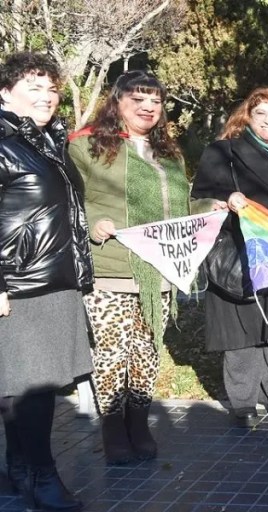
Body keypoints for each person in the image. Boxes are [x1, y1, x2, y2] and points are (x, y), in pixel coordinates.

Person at [68, 71, 189, 464]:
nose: (148, 107)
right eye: (138, 99)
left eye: (155, 100)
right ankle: (112, 428)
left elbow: (181, 207)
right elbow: (68, 200)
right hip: (110, 268)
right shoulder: (86, 145)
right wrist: (93, 224)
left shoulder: (168, 153)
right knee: (111, 353)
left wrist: (214, 208)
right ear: (116, 100)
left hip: (158, 270)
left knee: (147, 352)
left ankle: (138, 422)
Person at [0, 51, 92, 512]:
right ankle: (43, 475)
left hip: (55, 279)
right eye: (33, 87)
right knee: (30, 385)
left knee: (25, 384)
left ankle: (20, 469)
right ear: (5, 93)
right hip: (19, 284)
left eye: (52, 88)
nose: (47, 96)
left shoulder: (48, 142)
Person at [192, 88, 268, 428]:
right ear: (247, 117)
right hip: (238, 252)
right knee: (242, 329)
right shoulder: (223, 152)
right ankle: (244, 401)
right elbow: (200, 197)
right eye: (261, 114)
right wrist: (225, 198)